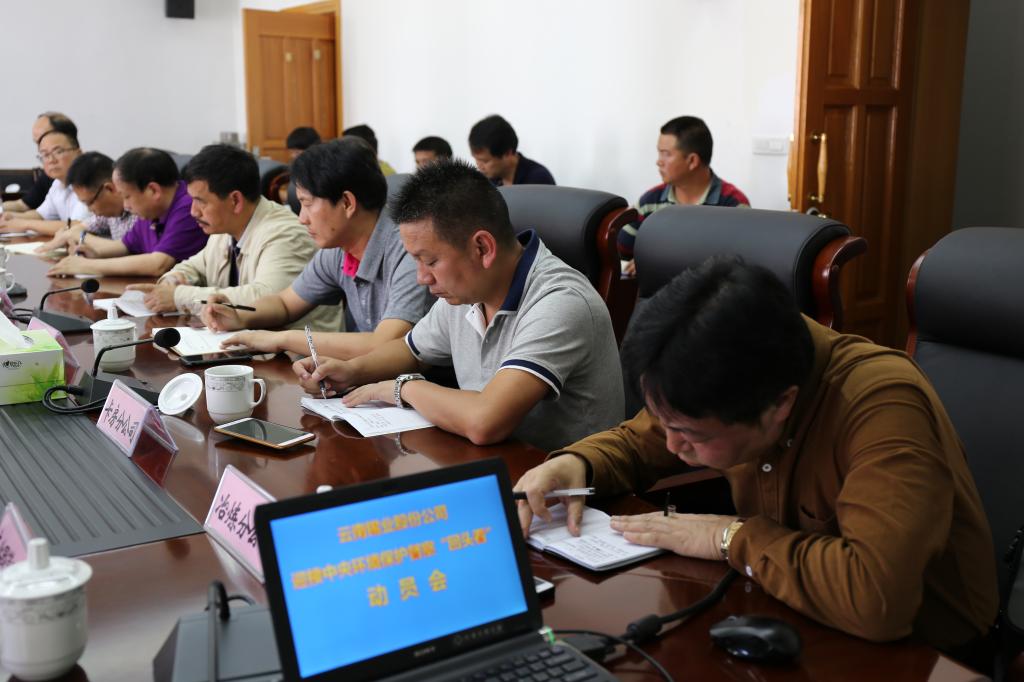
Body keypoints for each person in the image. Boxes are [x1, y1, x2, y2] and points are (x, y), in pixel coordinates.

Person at [514, 259, 998, 661]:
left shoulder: (883, 408)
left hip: (925, 656)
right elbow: (642, 440)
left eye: (691, 435)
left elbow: (877, 598)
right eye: (668, 424)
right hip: (786, 611)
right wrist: (577, 464)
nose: (673, 444)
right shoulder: (726, 368)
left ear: (780, 405)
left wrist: (726, 536)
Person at [291, 159, 623, 451]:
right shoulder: (467, 290)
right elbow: (412, 351)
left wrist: (403, 388)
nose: (422, 277)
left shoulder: (559, 301)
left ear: (482, 248)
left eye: (430, 261)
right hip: (495, 465)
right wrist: (351, 371)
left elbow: (485, 421)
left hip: (565, 486)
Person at [200, 137, 431, 358]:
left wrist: (283, 339)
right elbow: (285, 303)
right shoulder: (338, 249)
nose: (302, 218)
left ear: (347, 203)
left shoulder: (408, 249)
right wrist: (238, 316)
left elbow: (384, 344)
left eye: (307, 204)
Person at [120, 144, 338, 332]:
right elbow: (195, 266)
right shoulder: (224, 228)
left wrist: (179, 296)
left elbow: (267, 297)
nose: (193, 211)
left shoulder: (286, 234)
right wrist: (173, 280)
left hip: (297, 359)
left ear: (235, 201)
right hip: (248, 346)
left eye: (201, 201)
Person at [617, 116, 749, 274]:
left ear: (692, 161)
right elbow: (620, 250)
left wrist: (662, 261)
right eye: (659, 153)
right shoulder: (650, 201)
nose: (659, 162)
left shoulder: (734, 206)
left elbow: (738, 266)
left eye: (666, 154)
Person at [48, 148, 207, 278]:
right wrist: (93, 254)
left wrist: (87, 266)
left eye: (127, 197)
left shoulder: (189, 207)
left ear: (153, 190)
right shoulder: (152, 212)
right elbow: (124, 246)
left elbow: (158, 264)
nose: (125, 206)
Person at [36, 152, 135, 254]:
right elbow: (82, 227)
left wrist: (79, 236)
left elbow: (126, 248)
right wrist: (67, 235)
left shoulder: (138, 211)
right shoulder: (108, 213)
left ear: (109, 189)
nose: (89, 209)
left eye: (90, 202)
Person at [0, 129, 90, 236]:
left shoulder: (89, 181)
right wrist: (10, 216)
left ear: (79, 153)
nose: (51, 160)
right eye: (45, 155)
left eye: (58, 152)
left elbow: (77, 226)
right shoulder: (57, 183)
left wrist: (25, 224)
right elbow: (41, 215)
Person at [2, 112, 77, 214]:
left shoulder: (86, 176)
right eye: (37, 142)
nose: (41, 148)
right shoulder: (56, 181)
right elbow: (34, 210)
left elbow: (78, 222)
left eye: (43, 139)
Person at [468, 115, 555, 186]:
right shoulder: (485, 181)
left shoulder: (538, 180)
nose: (479, 166)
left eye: (485, 161)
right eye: (476, 159)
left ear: (508, 153)